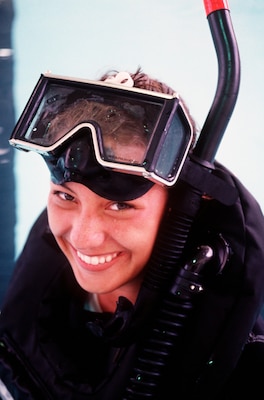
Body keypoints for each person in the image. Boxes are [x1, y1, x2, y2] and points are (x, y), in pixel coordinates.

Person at [0, 68, 264, 400]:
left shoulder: (248, 361)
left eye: (119, 206)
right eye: (66, 197)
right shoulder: (39, 295)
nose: (83, 236)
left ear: (180, 208)